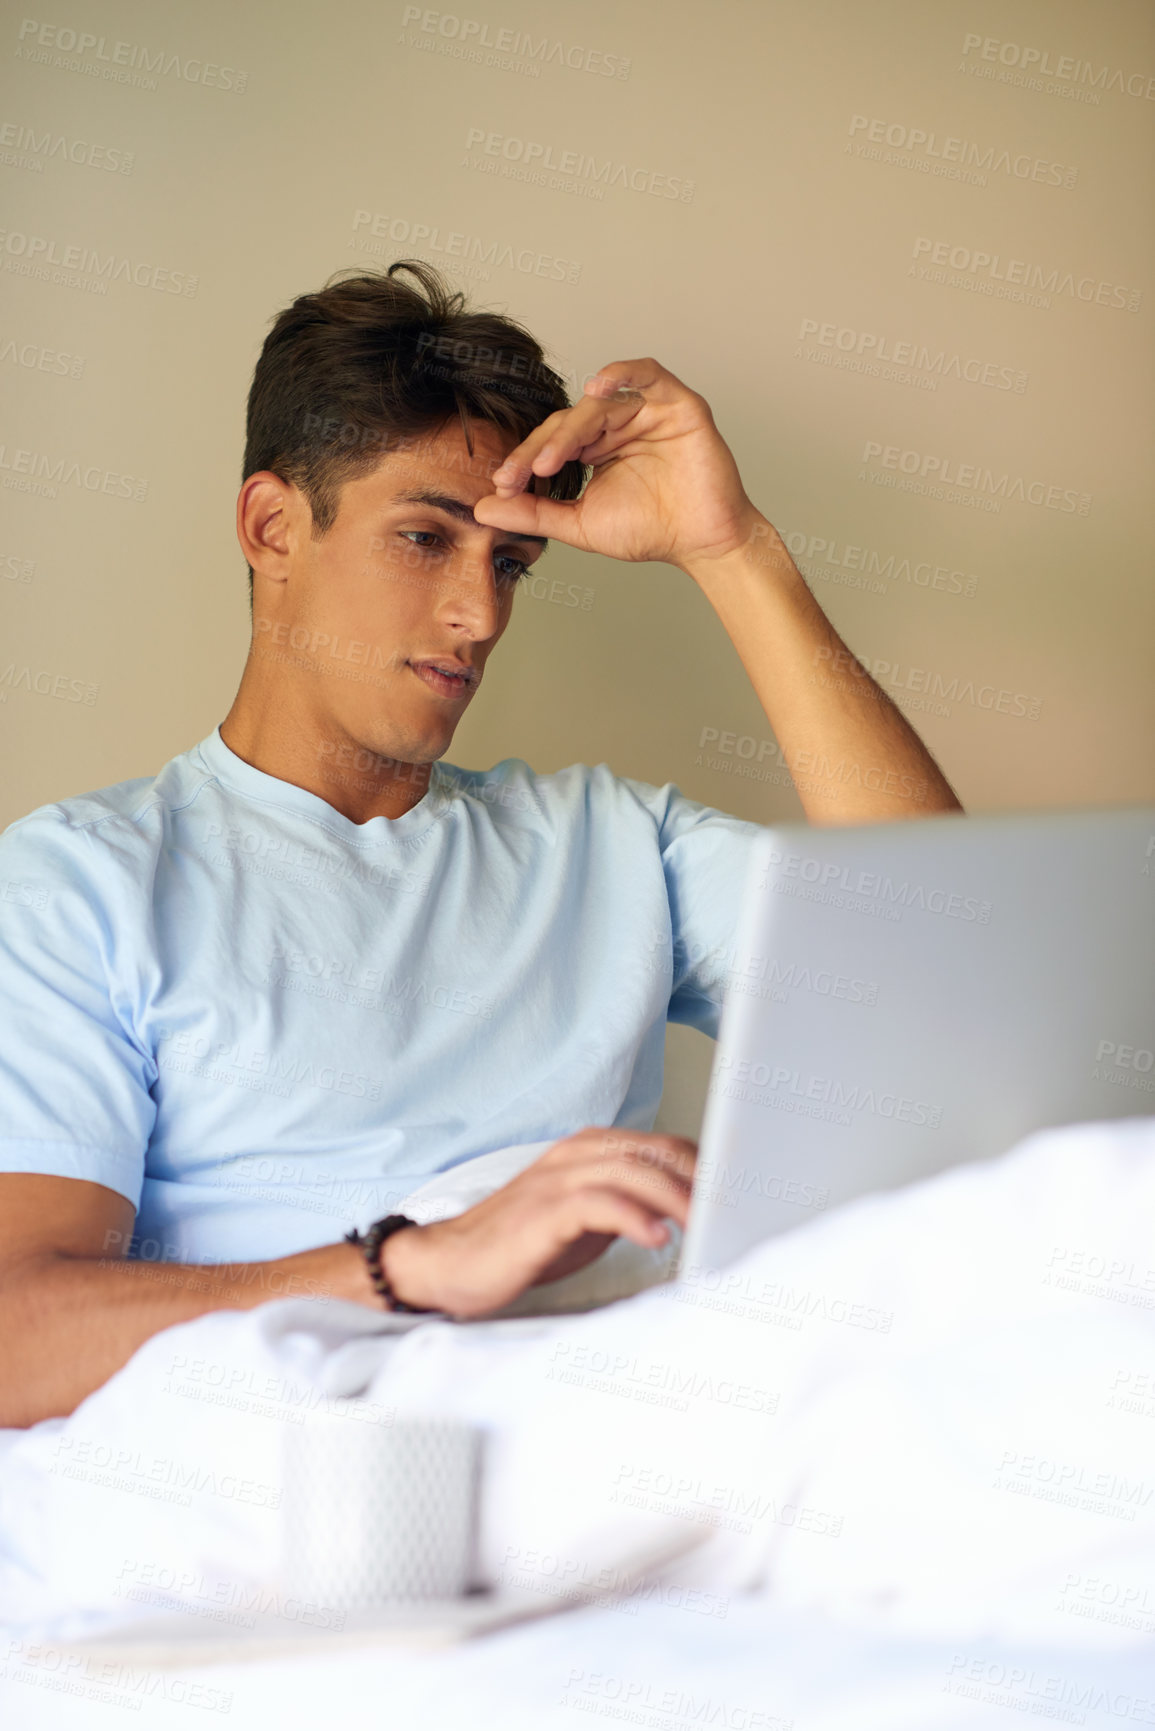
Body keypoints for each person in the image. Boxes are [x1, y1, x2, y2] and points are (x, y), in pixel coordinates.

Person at [0, 260, 960, 1429]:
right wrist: (410, 1267)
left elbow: (944, 970)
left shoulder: (614, 846)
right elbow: (20, 1335)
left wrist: (732, 551)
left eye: (509, 562)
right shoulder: (82, 884)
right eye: (424, 539)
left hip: (623, 1437)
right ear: (272, 528)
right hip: (301, 1474)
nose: (483, 612)